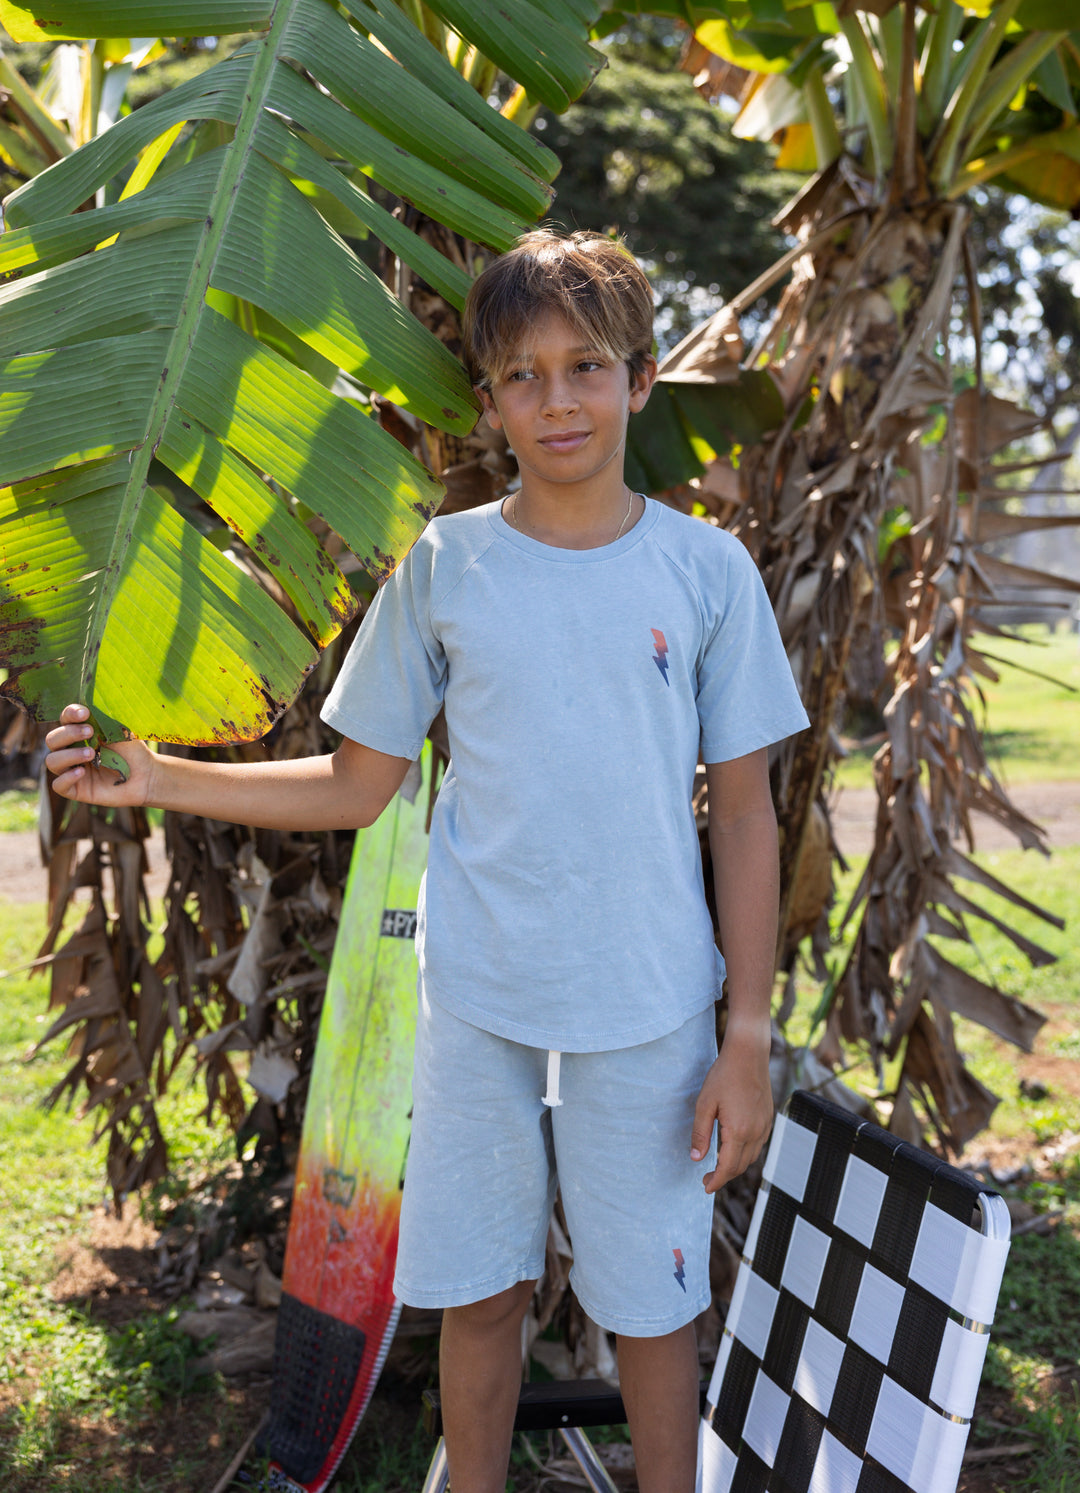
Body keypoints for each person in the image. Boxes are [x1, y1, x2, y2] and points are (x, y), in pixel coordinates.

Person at [45, 229, 808, 1493]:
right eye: (521, 376)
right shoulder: (449, 566)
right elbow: (359, 783)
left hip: (651, 1012)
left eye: (585, 367)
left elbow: (743, 812)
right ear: (490, 398)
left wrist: (745, 1034)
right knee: (480, 1295)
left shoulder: (705, 569)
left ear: (641, 376)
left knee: (656, 1314)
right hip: (481, 1008)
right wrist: (163, 772)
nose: (556, 400)